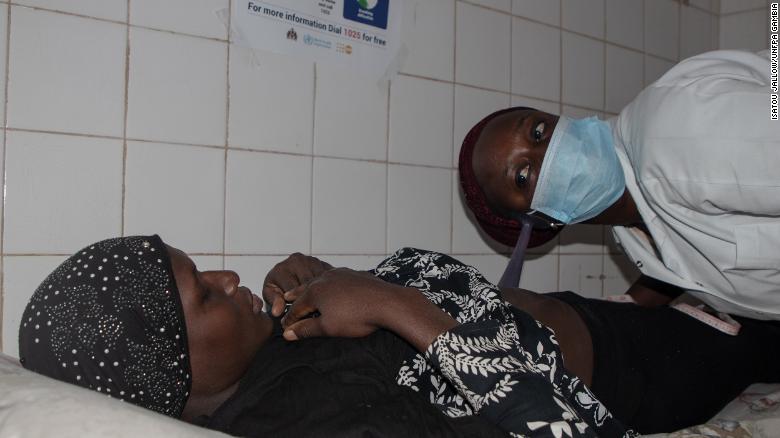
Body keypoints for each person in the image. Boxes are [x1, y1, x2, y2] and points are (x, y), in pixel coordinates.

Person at [17, 236, 780, 437]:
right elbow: (558, 428)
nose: (225, 276)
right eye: (200, 293)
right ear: (171, 370)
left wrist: (332, 281)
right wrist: (388, 302)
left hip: (600, 316)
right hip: (635, 371)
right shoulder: (322, 421)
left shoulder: (273, 363)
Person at [458, 49, 780, 318]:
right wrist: (627, 310)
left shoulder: (669, 139)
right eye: (523, 177)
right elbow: (684, 253)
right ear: (540, 221)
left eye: (538, 131)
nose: (546, 152)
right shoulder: (630, 228)